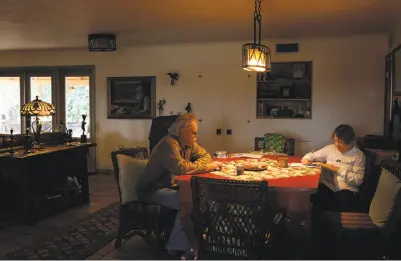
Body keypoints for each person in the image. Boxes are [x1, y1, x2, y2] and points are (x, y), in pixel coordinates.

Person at [137, 113, 222, 259]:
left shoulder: (188, 144)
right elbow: (181, 169)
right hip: (152, 190)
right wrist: (206, 167)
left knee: (192, 198)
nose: (196, 136)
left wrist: (201, 164)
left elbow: (206, 155)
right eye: (194, 133)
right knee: (187, 201)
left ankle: (182, 242)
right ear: (182, 131)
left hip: (169, 187)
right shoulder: (169, 144)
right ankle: (177, 245)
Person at [301, 124, 366, 212]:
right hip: (329, 188)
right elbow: (312, 155)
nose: (336, 144)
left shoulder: (358, 155)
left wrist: (338, 170)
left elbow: (358, 181)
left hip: (347, 192)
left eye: (340, 142)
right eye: (335, 140)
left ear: (350, 142)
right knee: (314, 194)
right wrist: (307, 159)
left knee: (337, 200)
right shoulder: (330, 149)